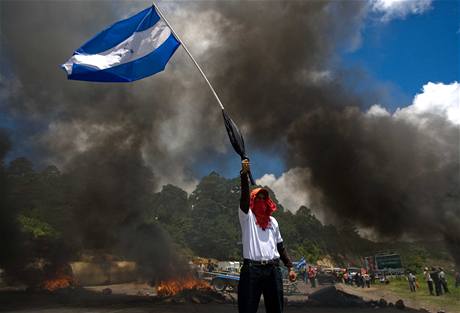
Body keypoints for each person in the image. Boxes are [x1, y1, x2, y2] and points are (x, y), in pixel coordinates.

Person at [238, 159, 296, 313]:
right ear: (253, 200)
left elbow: (280, 247)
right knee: (247, 309)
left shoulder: (273, 222)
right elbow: (243, 198)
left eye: (264, 198)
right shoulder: (247, 217)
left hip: (273, 269)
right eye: (258, 198)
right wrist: (244, 175)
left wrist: (290, 267)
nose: (261, 200)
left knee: (276, 309)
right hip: (252, 270)